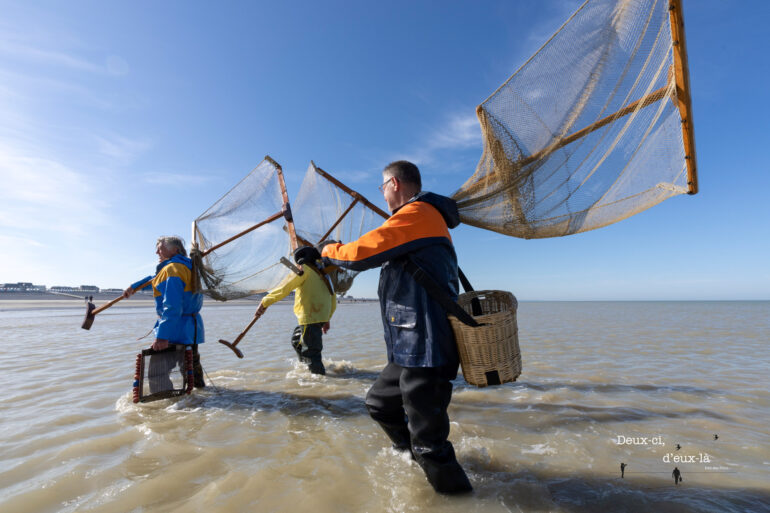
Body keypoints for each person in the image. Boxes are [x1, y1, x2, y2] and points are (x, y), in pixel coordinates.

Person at [319, 160, 472, 495]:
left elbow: (359, 254)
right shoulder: (417, 219)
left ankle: (458, 497)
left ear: (394, 184)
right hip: (410, 346)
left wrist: (327, 251)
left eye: (382, 187)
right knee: (379, 404)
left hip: (428, 347)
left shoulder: (419, 214)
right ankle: (415, 459)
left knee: (430, 442)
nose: (383, 193)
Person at [123, 236, 205, 389]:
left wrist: (162, 337)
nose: (156, 252)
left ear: (175, 249)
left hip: (175, 330)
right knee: (192, 374)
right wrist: (134, 286)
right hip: (191, 329)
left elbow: (172, 306)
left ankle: (167, 409)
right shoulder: (188, 266)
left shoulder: (172, 269)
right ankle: (201, 402)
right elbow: (156, 281)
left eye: (160, 248)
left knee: (157, 373)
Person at [252, 246, 336, 375]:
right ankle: (307, 367)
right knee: (297, 341)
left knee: (312, 352)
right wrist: (327, 318)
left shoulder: (304, 269)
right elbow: (333, 299)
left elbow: (285, 288)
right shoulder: (324, 272)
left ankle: (319, 381)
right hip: (317, 317)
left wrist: (265, 302)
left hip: (310, 317)